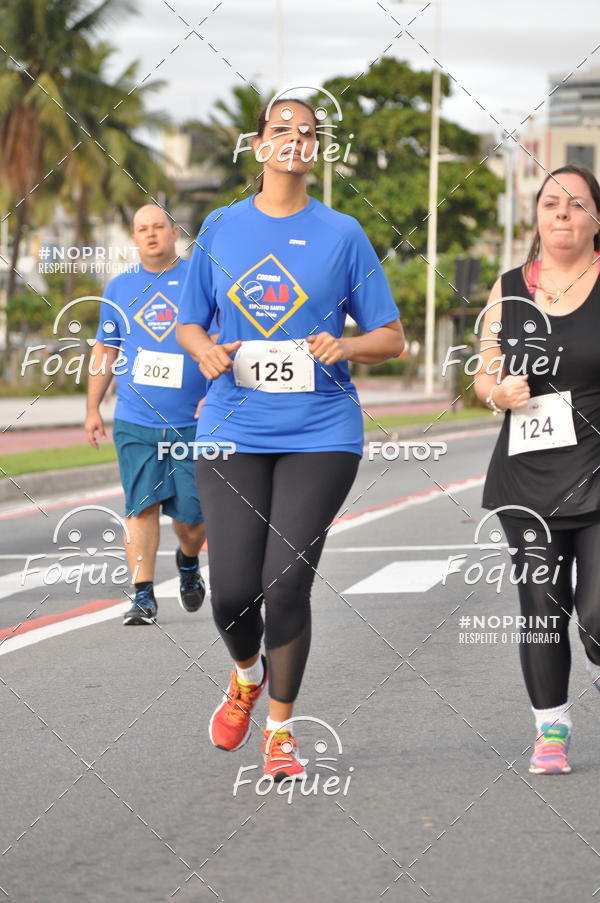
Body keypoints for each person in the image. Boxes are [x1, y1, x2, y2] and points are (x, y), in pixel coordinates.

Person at [177, 97, 404, 781]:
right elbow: (189, 323)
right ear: (259, 145)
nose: (296, 141)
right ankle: (244, 675)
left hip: (321, 430)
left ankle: (279, 728)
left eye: (308, 133)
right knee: (231, 591)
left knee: (285, 582)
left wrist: (348, 344)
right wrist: (207, 352)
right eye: (283, 131)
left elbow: (390, 336)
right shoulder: (220, 228)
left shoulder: (342, 234)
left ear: (317, 150)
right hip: (231, 426)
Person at [477, 162, 600, 774]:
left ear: (594, 219)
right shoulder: (510, 288)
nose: (561, 213)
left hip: (599, 471)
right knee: (542, 608)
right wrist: (497, 393)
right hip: (528, 479)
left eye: (575, 204)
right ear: (537, 217)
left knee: (598, 616)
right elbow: (484, 373)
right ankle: (551, 729)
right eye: (551, 203)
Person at [86, 204, 207, 625]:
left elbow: (227, 337)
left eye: (159, 227)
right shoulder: (119, 288)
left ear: (175, 233)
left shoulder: (200, 278)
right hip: (136, 418)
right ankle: (142, 594)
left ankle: (188, 563)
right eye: (142, 229)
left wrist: (219, 395)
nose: (151, 234)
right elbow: (106, 349)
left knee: (193, 518)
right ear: (134, 238)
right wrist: (93, 408)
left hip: (194, 421)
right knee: (141, 507)